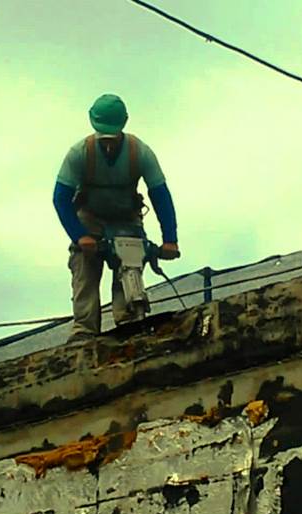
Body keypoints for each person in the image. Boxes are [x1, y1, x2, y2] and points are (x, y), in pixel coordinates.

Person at [53, 94, 179, 340]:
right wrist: (80, 236)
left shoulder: (140, 152)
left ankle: (129, 319)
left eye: (112, 139)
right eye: (104, 139)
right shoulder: (79, 153)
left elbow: (160, 195)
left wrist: (170, 240)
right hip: (90, 217)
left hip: (126, 218)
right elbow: (60, 199)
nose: (108, 145)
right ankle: (84, 330)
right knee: (84, 266)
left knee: (131, 261)